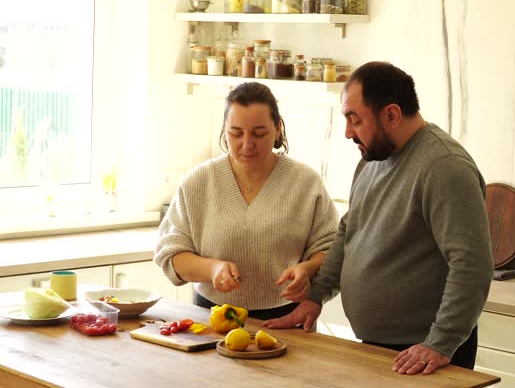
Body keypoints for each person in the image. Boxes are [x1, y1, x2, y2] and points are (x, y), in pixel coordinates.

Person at [263, 62, 493, 375]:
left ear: (392, 115)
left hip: (424, 354)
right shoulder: (373, 157)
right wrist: (315, 297)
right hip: (378, 346)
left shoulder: (444, 167)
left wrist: (441, 342)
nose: (347, 132)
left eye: (354, 119)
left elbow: (471, 264)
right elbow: (349, 231)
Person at [154, 82, 338, 320]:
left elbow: (332, 248)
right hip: (211, 318)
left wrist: (308, 269)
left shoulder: (306, 182)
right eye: (236, 133)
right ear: (224, 130)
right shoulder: (198, 181)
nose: (247, 144)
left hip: (287, 319)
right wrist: (212, 269)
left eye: (259, 133)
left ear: (278, 129)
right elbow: (171, 256)